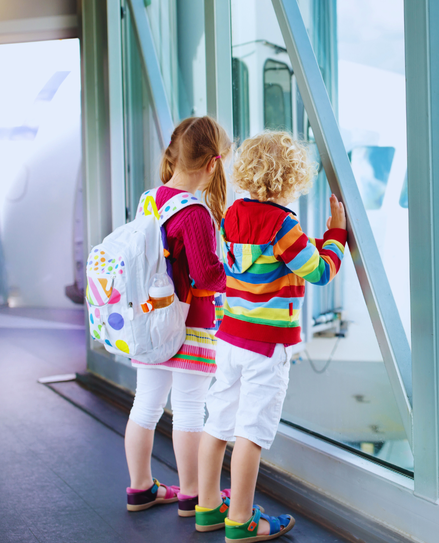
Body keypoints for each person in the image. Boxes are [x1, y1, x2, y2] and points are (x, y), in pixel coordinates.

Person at [195, 131, 347, 540]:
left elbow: (264, 260)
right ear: (292, 179)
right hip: (266, 347)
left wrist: (309, 243)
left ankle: (208, 507)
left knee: (218, 422)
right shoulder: (283, 224)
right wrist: (336, 234)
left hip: (229, 339)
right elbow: (319, 270)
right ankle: (241, 521)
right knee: (252, 433)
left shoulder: (233, 214)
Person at [125, 116, 230, 517]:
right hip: (191, 326)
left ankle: (139, 488)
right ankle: (191, 494)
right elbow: (207, 275)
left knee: (145, 406)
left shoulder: (150, 199)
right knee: (189, 411)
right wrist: (234, 271)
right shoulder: (195, 213)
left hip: (151, 322)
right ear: (212, 164)